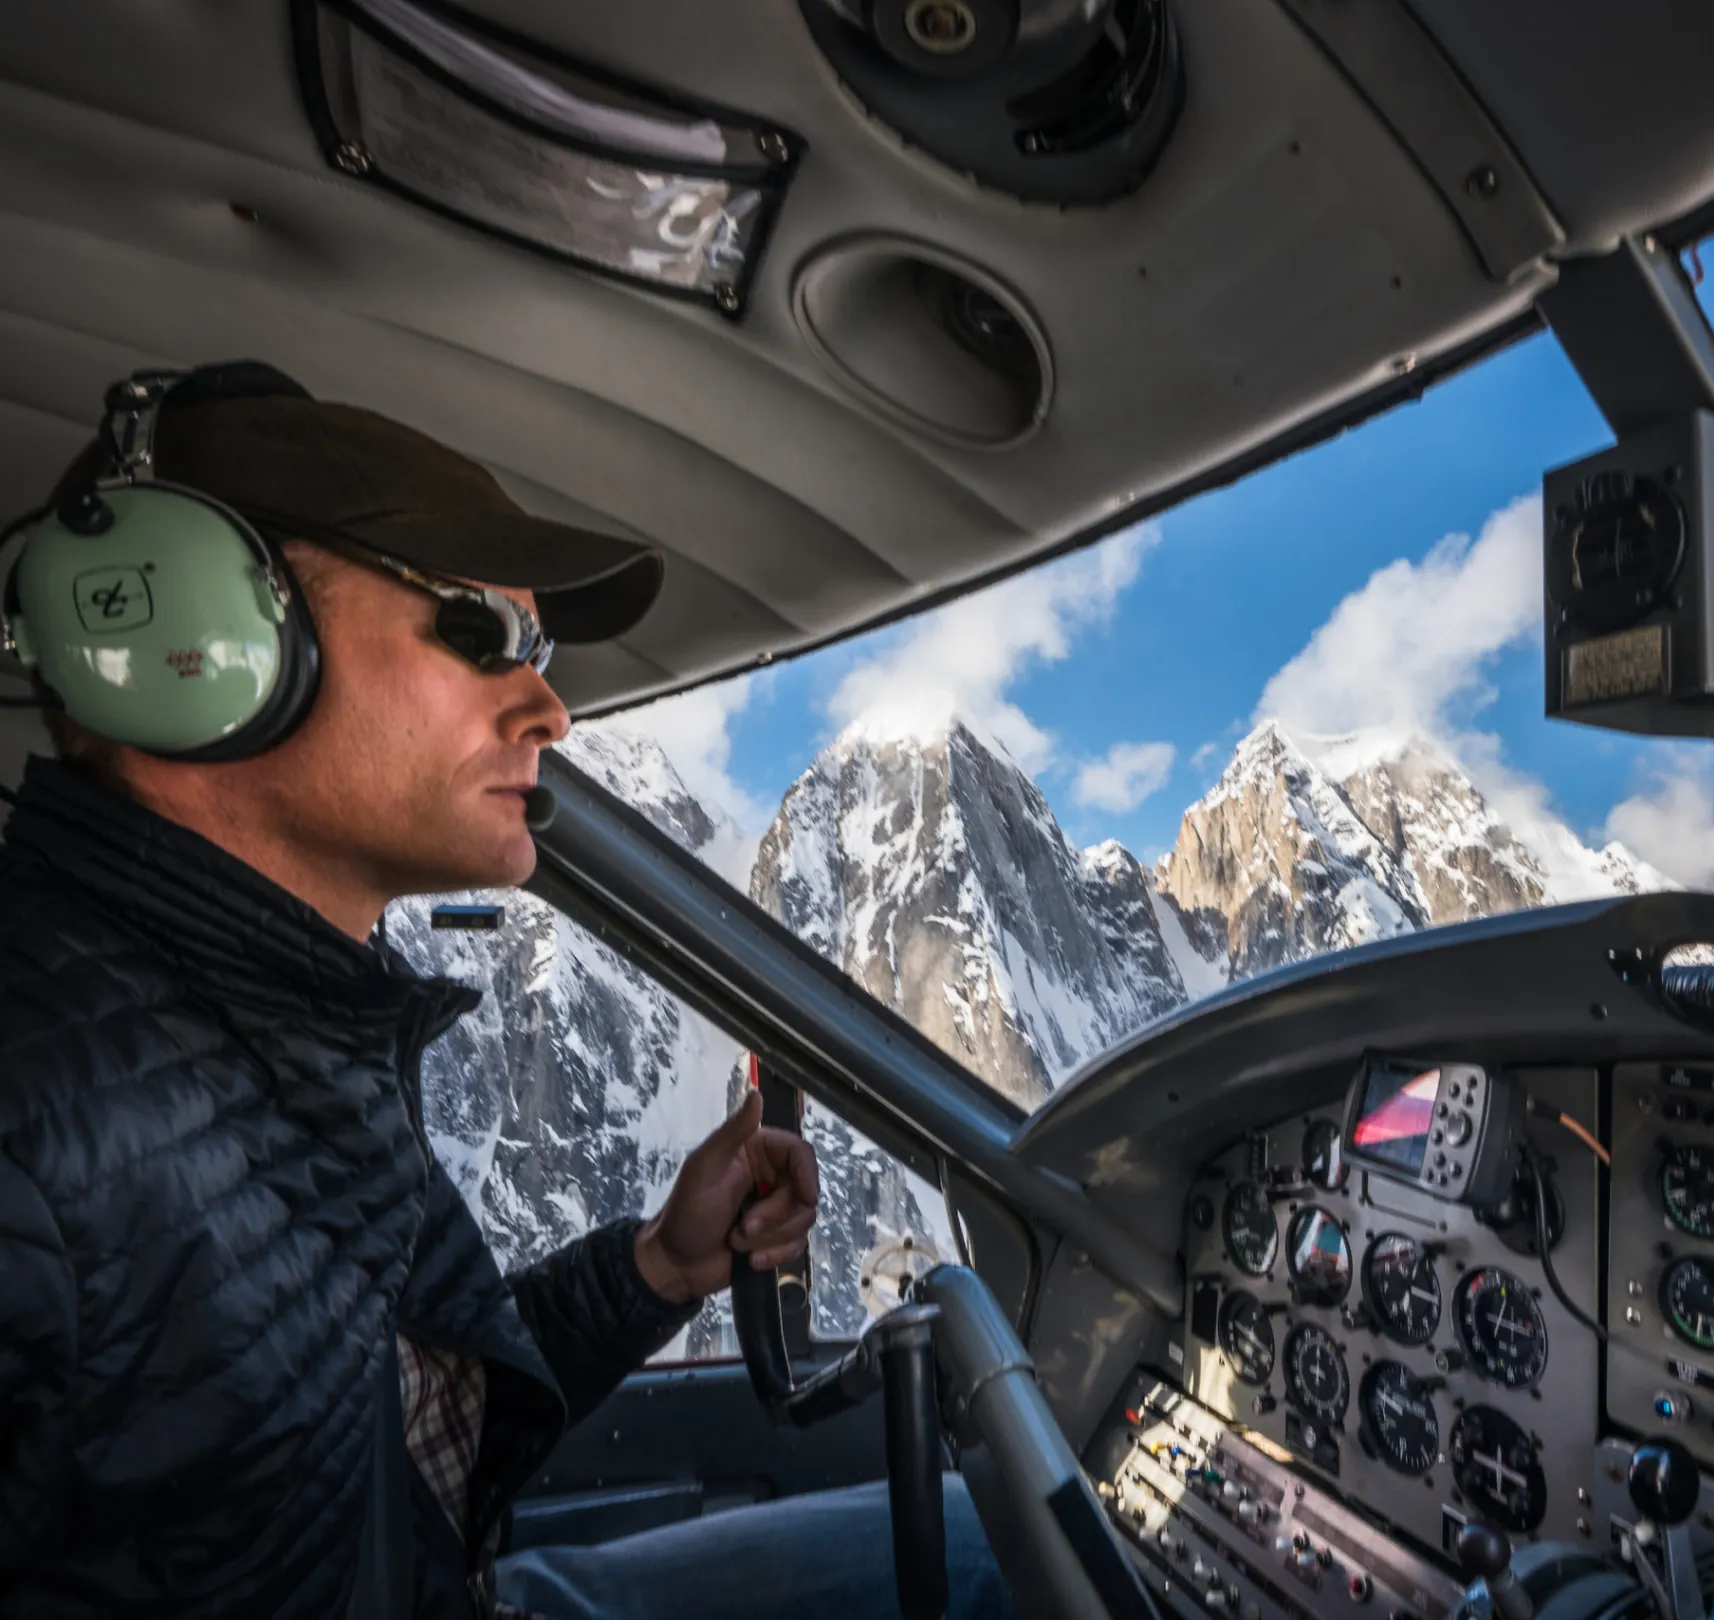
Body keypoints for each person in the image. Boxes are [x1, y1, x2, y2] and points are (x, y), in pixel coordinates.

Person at [0, 365, 1011, 1620]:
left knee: (992, 1542)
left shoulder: (282, 1014)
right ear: (195, 650)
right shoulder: (36, 1102)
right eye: (481, 633)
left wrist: (656, 1264)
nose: (550, 705)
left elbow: (400, 1434)